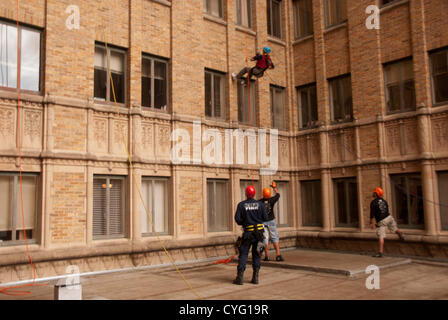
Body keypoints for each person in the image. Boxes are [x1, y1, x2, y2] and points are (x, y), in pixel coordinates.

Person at [233, 185, 268, 285]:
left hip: (248, 234)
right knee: (257, 254)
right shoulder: (260, 204)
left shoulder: (241, 205)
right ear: (254, 194)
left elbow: (238, 220)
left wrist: (246, 221)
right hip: (259, 234)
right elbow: (265, 217)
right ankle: (255, 277)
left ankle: (240, 278)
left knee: (243, 254)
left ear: (246, 193)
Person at [370, 187, 405, 258]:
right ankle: (401, 235)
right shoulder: (384, 201)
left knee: (381, 235)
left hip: (382, 221)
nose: (373, 193)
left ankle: (380, 252)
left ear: (376, 194)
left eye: (374, 192)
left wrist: (371, 223)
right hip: (389, 217)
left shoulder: (373, 202)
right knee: (394, 229)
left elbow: (372, 214)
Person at [259, 182, 284, 262]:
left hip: (263, 222)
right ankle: (278, 255)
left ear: (263, 194)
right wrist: (274, 187)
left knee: (265, 238)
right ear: (269, 194)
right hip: (271, 221)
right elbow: (278, 195)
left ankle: (266, 256)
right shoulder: (272, 200)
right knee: (274, 237)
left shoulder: (259, 202)